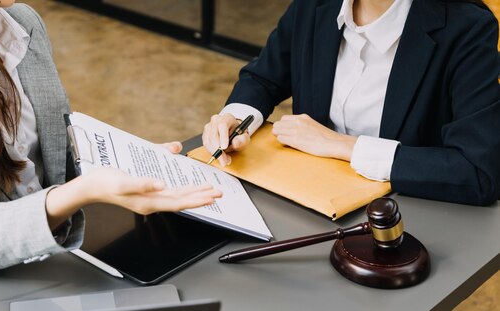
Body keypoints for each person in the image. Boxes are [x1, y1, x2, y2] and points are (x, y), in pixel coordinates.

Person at [0, 0, 222, 275]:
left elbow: (50, 152)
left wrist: (121, 161)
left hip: (55, 251)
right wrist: (85, 191)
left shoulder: (22, 22)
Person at [203, 0, 500, 205]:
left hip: (402, 209)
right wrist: (236, 117)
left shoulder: (467, 28)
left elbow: (478, 172)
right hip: (306, 195)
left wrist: (344, 146)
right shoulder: (315, 5)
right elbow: (264, 78)